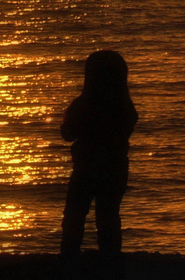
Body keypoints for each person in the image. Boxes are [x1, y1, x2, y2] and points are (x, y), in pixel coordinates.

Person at [59, 50, 138, 265]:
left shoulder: (83, 104)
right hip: (116, 166)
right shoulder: (125, 107)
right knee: (109, 217)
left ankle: (69, 261)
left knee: (75, 216)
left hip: (86, 167)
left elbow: (68, 134)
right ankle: (110, 261)